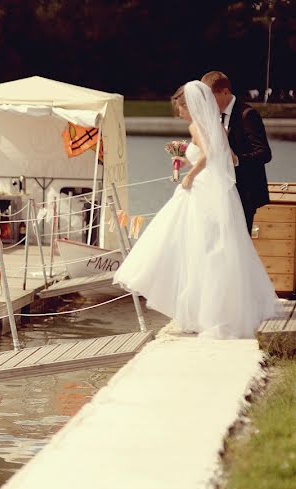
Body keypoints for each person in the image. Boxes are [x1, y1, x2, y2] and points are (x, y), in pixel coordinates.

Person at [113, 81, 278, 339]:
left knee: (193, 249)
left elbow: (210, 154)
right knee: (214, 251)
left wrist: (190, 175)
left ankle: (200, 313)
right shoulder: (218, 126)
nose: (178, 113)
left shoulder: (198, 125)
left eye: (180, 108)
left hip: (202, 190)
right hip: (220, 191)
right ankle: (210, 312)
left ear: (189, 107)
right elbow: (221, 153)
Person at [200, 71, 272, 235]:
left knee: (240, 243)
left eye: (211, 98)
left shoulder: (248, 115)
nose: (208, 104)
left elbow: (264, 153)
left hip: (245, 192)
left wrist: (237, 159)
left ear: (225, 91)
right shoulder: (214, 116)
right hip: (219, 191)